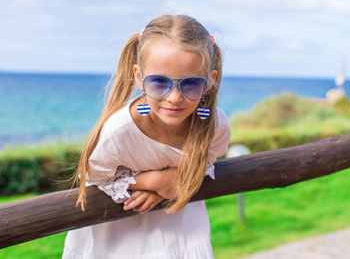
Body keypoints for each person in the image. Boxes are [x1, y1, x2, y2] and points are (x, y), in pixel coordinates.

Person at [62, 15, 231, 258]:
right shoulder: (119, 131)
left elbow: (209, 159)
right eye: (160, 82)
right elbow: (94, 174)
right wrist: (155, 182)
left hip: (179, 231)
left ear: (209, 82)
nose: (174, 98)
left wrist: (174, 180)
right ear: (139, 77)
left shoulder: (214, 126)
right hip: (113, 239)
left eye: (191, 83)